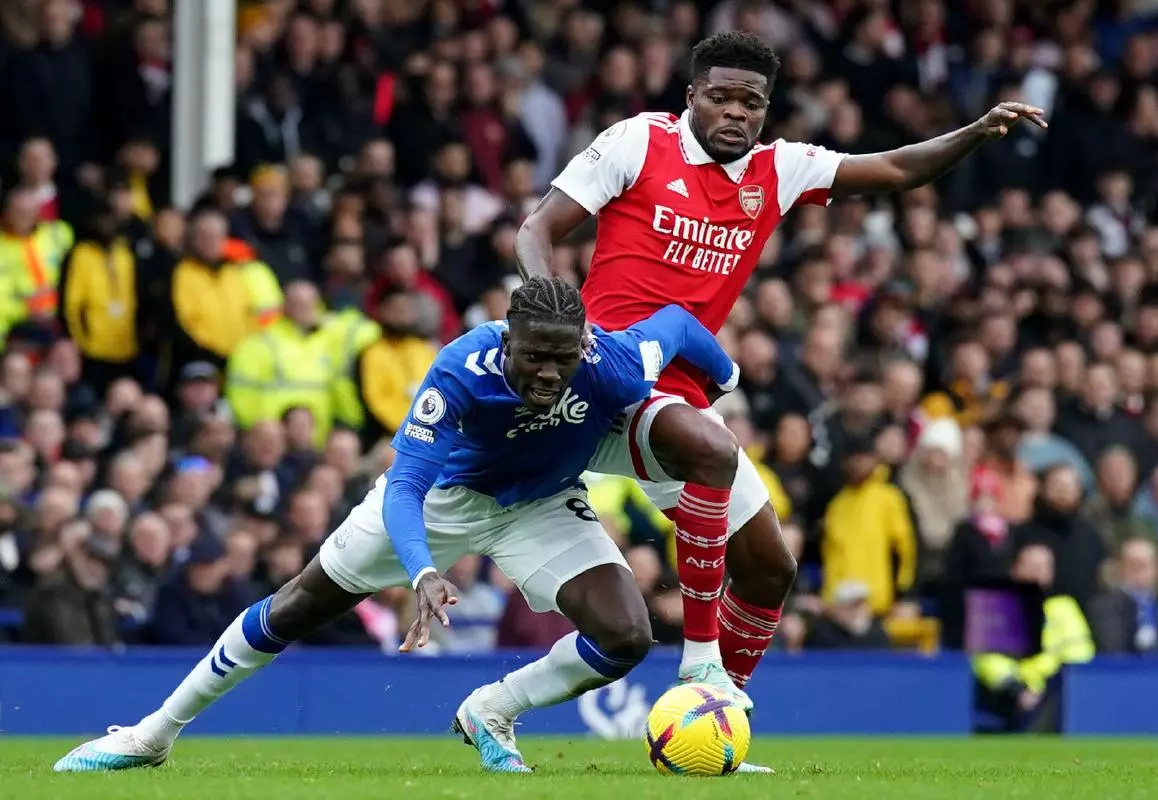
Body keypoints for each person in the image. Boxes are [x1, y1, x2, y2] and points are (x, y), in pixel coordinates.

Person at [515, 30, 1046, 707]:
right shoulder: (638, 142)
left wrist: (973, 130)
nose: (736, 112)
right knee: (711, 449)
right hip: (608, 374)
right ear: (691, 97)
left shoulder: (779, 169)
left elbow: (893, 170)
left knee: (771, 568)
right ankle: (700, 666)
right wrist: (556, 322)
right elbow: (535, 231)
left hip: (679, 395)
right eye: (721, 97)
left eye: (751, 102)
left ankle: (710, 715)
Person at [53, 276, 743, 774]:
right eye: (534, 354)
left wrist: (725, 379)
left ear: (583, 342)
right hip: (443, 502)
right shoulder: (463, 371)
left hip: (538, 503)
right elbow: (407, 484)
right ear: (508, 334)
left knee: (627, 636)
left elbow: (679, 323)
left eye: (563, 357)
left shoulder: (610, 363)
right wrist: (421, 569)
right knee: (297, 607)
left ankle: (491, 710)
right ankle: (154, 732)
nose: (548, 371)